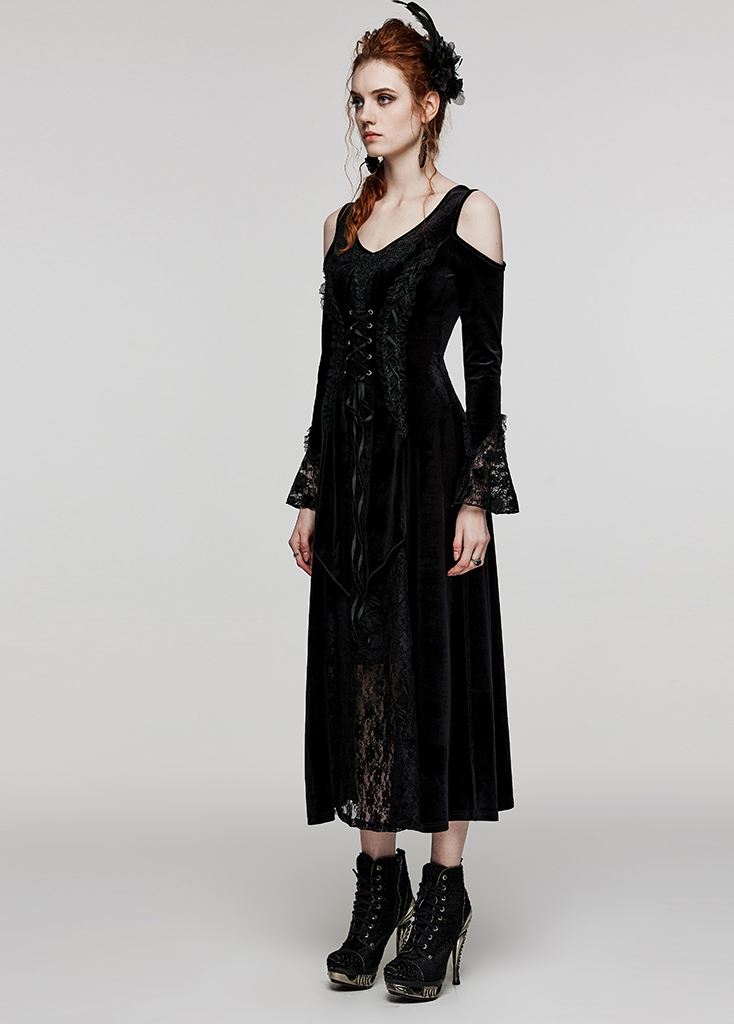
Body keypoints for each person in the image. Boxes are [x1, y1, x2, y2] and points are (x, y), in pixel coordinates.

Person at [285, 1, 520, 1001]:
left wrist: (477, 498)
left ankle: (444, 892)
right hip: (351, 481)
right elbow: (328, 369)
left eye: (383, 98)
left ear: (428, 106)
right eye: (357, 100)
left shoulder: (472, 213)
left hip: (431, 474)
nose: (366, 115)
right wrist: (309, 492)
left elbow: (486, 371)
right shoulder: (339, 226)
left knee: (438, 663)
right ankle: (376, 886)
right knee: (364, 670)